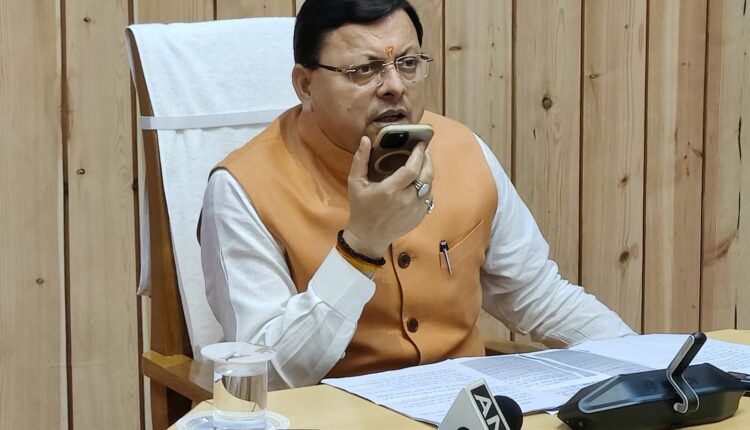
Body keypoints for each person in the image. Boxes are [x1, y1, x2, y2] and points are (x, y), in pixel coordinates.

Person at [200, 0, 635, 390]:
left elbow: (537, 295)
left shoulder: (464, 150)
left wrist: (647, 360)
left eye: (407, 63)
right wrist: (360, 249)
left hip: (469, 409)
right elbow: (267, 377)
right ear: (305, 85)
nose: (394, 85)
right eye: (364, 70)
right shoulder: (243, 188)